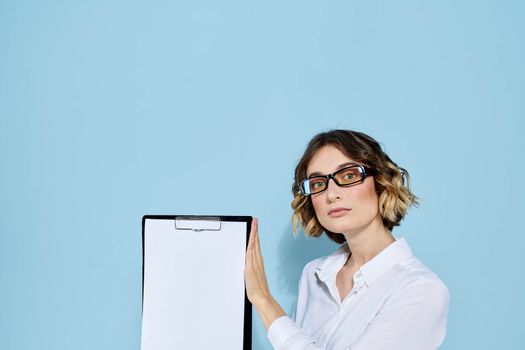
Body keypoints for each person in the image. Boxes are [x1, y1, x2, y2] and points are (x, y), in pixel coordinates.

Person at [244, 129, 449, 350]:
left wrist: (263, 299)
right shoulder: (313, 276)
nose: (331, 194)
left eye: (349, 176)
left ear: (381, 183)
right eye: (317, 183)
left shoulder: (421, 290)